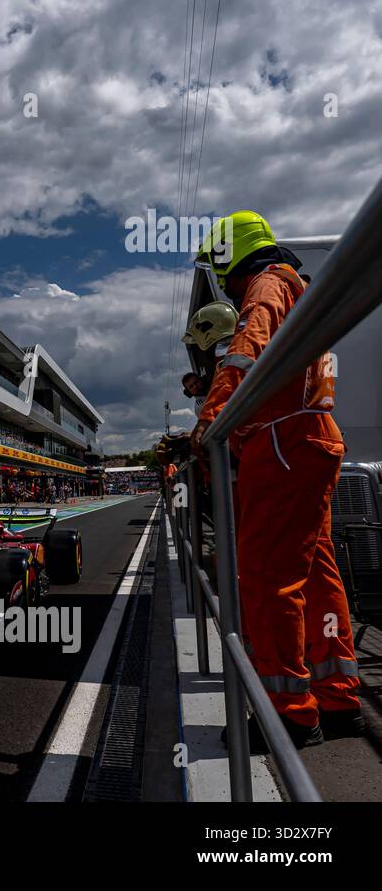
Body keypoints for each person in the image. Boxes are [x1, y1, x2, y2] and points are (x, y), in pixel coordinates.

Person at [193, 210, 359, 749]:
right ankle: (338, 697)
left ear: (228, 256)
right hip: (313, 441)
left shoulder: (265, 288)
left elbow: (244, 356)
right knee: (315, 574)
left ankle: (290, 713)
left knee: (267, 579)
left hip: (281, 446)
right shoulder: (304, 293)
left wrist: (207, 425)